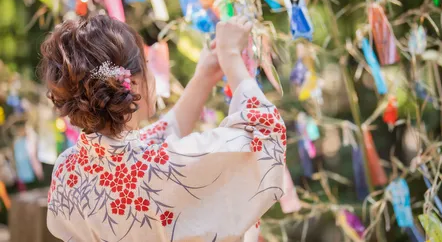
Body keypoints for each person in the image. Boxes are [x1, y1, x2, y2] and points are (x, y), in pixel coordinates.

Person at [41, 15, 286, 242]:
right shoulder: (160, 167)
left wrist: (203, 77)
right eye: (146, 64)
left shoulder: (67, 169)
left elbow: (142, 150)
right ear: (134, 84)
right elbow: (266, 136)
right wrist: (231, 56)